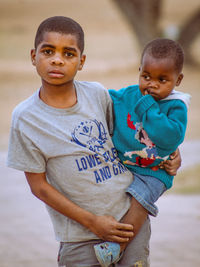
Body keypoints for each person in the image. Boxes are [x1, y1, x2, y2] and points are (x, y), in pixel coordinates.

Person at [6, 17, 181, 267]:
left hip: (128, 223)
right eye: (48, 51)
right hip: (80, 236)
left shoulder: (97, 94)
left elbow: (135, 131)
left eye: (68, 53)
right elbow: (39, 187)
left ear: (81, 62)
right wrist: (92, 222)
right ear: (34, 56)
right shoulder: (26, 118)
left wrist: (173, 153)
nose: (57, 59)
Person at [94, 38, 191, 266]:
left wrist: (148, 106)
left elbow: (168, 137)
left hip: (154, 173)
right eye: (146, 76)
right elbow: (107, 99)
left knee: (139, 202)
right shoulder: (129, 95)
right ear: (139, 71)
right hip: (125, 167)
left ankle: (118, 246)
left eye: (162, 79)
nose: (152, 85)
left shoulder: (177, 106)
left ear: (178, 80)